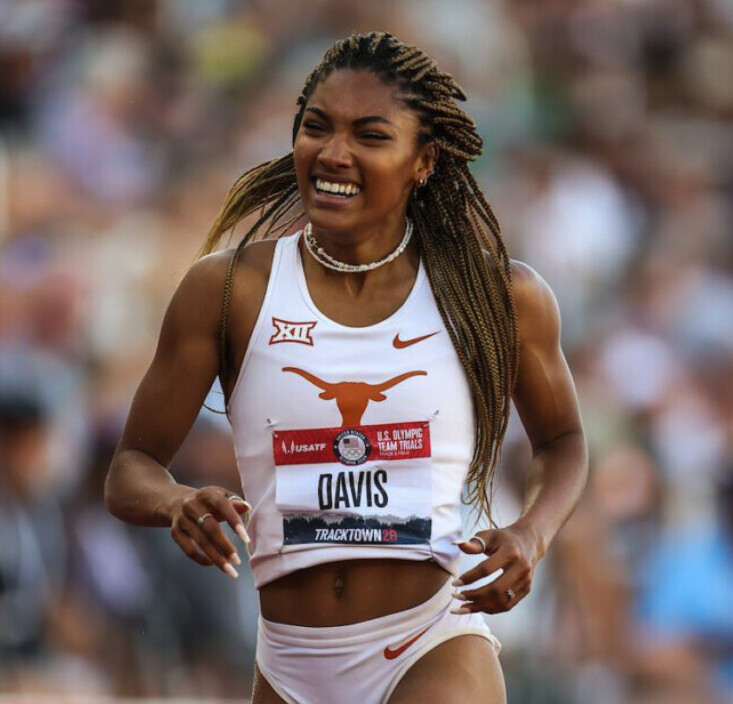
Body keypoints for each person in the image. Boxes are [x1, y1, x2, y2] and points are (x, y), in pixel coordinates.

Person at [105, 31, 588, 704]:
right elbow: (130, 469)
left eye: (370, 135)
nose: (334, 153)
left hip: (431, 641)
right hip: (288, 662)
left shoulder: (495, 296)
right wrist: (176, 502)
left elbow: (562, 441)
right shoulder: (228, 290)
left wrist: (530, 535)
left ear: (423, 161)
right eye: (316, 128)